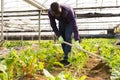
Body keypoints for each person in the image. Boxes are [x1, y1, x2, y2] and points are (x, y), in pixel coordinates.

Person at [48, 2, 80, 66]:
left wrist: (77, 39)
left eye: (58, 13)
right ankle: (65, 55)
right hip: (62, 22)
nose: (57, 15)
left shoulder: (68, 10)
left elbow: (74, 25)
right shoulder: (50, 12)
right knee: (62, 39)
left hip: (69, 22)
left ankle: (67, 59)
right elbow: (53, 25)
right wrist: (58, 35)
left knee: (68, 37)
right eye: (56, 14)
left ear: (60, 8)